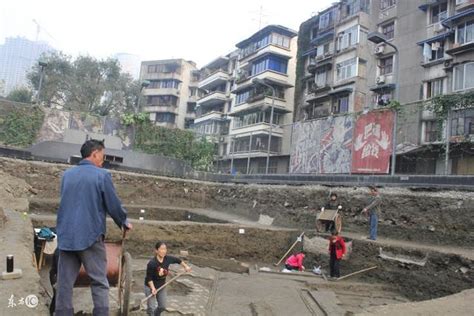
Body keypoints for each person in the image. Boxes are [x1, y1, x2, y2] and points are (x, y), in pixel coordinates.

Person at [55, 139, 132, 316]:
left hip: (66, 236)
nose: (103, 160)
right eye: (102, 156)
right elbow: (113, 204)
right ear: (95, 153)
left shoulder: (67, 175)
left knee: (65, 283)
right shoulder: (101, 175)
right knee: (99, 282)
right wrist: (123, 221)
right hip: (90, 236)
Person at [145, 241, 192, 316]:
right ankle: (151, 313)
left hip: (161, 286)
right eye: (162, 249)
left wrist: (186, 266)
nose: (164, 251)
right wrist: (153, 288)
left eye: (165, 249)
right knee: (151, 308)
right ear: (156, 251)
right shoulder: (152, 263)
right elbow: (149, 279)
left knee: (162, 306)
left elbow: (178, 260)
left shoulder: (167, 259)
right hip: (150, 287)